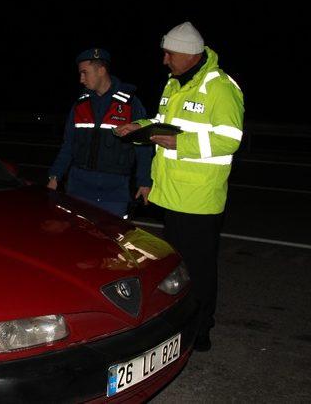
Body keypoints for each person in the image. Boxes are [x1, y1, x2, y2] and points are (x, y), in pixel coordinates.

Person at [115, 22, 244, 352]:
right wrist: (140, 127)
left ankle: (201, 330)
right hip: (172, 193)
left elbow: (229, 140)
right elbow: (165, 125)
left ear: (189, 54)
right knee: (178, 267)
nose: (164, 60)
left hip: (199, 198)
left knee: (200, 271)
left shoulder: (220, 86)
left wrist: (178, 144)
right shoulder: (174, 83)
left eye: (169, 54)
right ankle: (183, 321)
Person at [47, 48, 152, 218]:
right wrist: (55, 176)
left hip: (115, 192)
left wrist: (144, 181)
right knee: (78, 239)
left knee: (110, 241)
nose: (81, 79)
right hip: (78, 188)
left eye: (84, 73)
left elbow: (144, 148)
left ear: (101, 70)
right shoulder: (80, 105)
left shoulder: (130, 104)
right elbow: (68, 145)